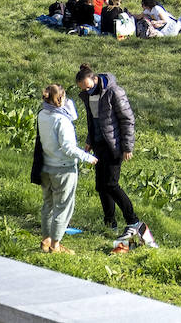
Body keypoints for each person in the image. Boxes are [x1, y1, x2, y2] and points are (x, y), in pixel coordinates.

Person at [74, 63, 140, 233]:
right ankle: (109, 223)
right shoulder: (88, 96)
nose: (86, 91)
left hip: (114, 145)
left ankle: (133, 221)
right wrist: (89, 140)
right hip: (98, 144)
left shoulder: (114, 92)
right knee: (100, 186)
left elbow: (127, 119)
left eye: (88, 87)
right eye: (83, 89)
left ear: (94, 79)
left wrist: (127, 147)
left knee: (111, 184)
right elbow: (93, 121)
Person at [35, 83, 98, 254]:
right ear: (61, 98)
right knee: (63, 207)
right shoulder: (62, 120)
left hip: (46, 167)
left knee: (48, 205)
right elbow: (68, 148)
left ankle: (46, 240)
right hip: (63, 169)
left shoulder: (42, 113)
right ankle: (55, 245)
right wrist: (88, 157)